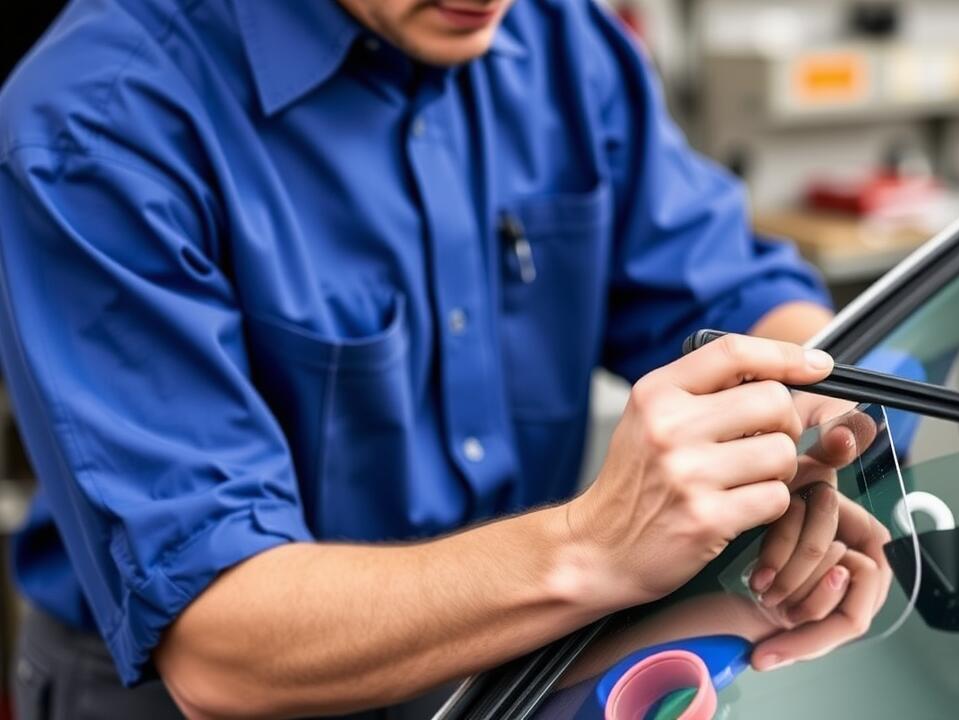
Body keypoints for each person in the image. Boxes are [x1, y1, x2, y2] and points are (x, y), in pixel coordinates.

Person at [0, 0, 890, 717]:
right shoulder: (99, 121)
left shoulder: (560, 39)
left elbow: (737, 296)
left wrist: (808, 425)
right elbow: (223, 646)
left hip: (513, 662)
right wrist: (593, 546)